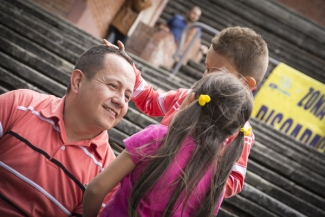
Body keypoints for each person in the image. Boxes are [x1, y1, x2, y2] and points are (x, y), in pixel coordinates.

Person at [104, 25, 269, 199]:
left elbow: (234, 181)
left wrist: (192, 173)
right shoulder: (186, 96)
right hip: (137, 185)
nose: (206, 77)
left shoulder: (240, 131)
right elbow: (150, 100)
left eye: (217, 72)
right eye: (207, 68)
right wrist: (129, 69)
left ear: (247, 84)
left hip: (173, 203)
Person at [83, 71, 254, 217]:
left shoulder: (157, 137)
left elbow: (96, 189)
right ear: (233, 133)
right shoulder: (218, 181)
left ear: (193, 98)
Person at [0, 45, 135, 216]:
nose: (121, 102)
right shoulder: (20, 105)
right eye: (113, 86)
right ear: (78, 81)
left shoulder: (108, 174)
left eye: (128, 96)